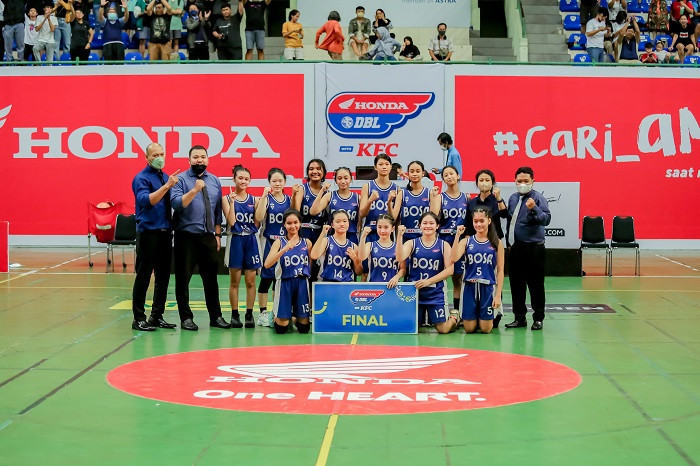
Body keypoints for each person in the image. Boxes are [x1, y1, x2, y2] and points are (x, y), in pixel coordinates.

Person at [171, 145, 231, 331]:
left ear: (208, 160)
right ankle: (186, 318)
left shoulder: (214, 181)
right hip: (186, 237)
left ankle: (216, 316)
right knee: (183, 279)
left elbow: (217, 211)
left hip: (208, 237)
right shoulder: (181, 180)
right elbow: (177, 204)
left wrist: (218, 235)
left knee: (211, 279)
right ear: (189, 160)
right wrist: (195, 190)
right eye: (196, 157)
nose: (199, 160)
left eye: (203, 157)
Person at [130, 143, 179, 332]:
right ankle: (138, 318)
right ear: (147, 157)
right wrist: (167, 186)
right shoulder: (141, 178)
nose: (159, 157)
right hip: (148, 233)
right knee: (143, 276)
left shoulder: (165, 177)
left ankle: (157, 315)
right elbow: (147, 201)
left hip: (165, 233)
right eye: (155, 155)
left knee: (163, 277)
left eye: (162, 154)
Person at [504, 166, 551, 331]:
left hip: (534, 249)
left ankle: (538, 318)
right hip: (515, 248)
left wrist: (534, 208)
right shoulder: (513, 198)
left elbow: (546, 220)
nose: (522, 184)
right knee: (516, 284)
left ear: (533, 181)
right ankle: (519, 318)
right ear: (515, 181)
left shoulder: (538, 198)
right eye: (519, 181)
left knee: (536, 285)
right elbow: (511, 221)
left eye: (526, 181)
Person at [397, 212, 457, 334]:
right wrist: (399, 237)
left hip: (435, 292)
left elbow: (450, 270)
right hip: (415, 292)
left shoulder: (444, 245)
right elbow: (400, 257)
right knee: (412, 327)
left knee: (443, 329)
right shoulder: (411, 243)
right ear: (419, 225)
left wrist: (428, 281)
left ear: (437, 226)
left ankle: (454, 317)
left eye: (431, 223)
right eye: (425, 223)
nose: (428, 226)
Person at [451, 210, 505, 334]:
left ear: (489, 221)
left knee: (486, 329)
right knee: (469, 329)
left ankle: (484, 318)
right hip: (469, 286)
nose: (478, 224)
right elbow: (453, 258)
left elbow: (500, 271)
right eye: (475, 221)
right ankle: (459, 317)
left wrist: (498, 296)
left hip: (488, 287)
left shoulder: (497, 243)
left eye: (482, 221)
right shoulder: (466, 241)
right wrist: (457, 236)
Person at [222, 165, 260, 329]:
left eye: (246, 179)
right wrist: (232, 202)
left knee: (251, 281)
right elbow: (231, 221)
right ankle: (235, 314)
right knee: (234, 281)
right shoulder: (226, 198)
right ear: (234, 179)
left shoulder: (255, 200)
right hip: (236, 239)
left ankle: (249, 314)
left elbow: (257, 223)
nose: (243, 181)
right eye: (240, 178)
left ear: (250, 181)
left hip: (251, 240)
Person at [263, 209, 312, 334]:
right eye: (289, 223)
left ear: (300, 223)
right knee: (281, 329)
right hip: (284, 282)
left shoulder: (307, 242)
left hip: (301, 283)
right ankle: (275, 317)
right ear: (284, 225)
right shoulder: (279, 242)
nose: (293, 226)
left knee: (304, 328)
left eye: (296, 222)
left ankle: (294, 317)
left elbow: (310, 264)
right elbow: (267, 264)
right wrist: (284, 249)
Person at [254, 167, 291, 327]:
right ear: (269, 182)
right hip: (269, 242)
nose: (277, 183)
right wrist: (263, 196)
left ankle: (276, 311)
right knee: (266, 278)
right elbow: (258, 216)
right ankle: (262, 313)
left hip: (284, 243)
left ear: (285, 182)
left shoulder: (289, 200)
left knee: (279, 279)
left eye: (280, 180)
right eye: (274, 181)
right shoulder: (267, 199)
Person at [431, 165, 467, 313]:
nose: (449, 176)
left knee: (458, 278)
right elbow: (433, 218)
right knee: (441, 276)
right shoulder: (440, 197)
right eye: (446, 175)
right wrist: (433, 198)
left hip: (459, 241)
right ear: (443, 179)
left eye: (452, 173)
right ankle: (440, 310)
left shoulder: (466, 197)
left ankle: (458, 312)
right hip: (444, 240)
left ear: (458, 176)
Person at [293, 159, 328, 283]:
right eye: (311, 169)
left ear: (323, 172)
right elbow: (296, 212)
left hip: (319, 233)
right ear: (307, 172)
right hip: (304, 230)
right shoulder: (302, 188)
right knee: (304, 263)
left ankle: (313, 292)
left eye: (318, 169)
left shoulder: (327, 192)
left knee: (316, 266)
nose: (315, 171)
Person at [310, 166, 360, 245]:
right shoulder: (330, 196)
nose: (343, 181)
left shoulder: (357, 198)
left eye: (346, 178)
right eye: (339, 178)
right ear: (335, 181)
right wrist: (322, 191)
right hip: (333, 235)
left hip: (351, 236)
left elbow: (361, 220)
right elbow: (313, 212)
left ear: (351, 179)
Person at [392, 161, 438, 241]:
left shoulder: (429, 193)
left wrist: (433, 197)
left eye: (418, 171)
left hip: (425, 239)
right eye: (412, 171)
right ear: (408, 173)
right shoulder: (402, 193)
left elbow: (434, 217)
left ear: (423, 173)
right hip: (406, 238)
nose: (415, 174)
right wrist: (389, 202)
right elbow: (394, 218)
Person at [311, 212, 362, 282]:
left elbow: (359, 272)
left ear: (348, 224)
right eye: (338, 221)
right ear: (332, 225)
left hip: (346, 284)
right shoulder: (326, 241)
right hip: (327, 282)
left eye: (345, 221)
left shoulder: (354, 246)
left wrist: (355, 259)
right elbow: (314, 255)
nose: (342, 224)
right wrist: (322, 234)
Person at [359, 153, 398, 243]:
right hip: (370, 232)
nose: (384, 167)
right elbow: (362, 214)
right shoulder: (367, 187)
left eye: (387, 164)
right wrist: (370, 200)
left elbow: (394, 218)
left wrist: (389, 202)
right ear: (375, 167)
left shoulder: (397, 189)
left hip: (387, 234)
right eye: (380, 164)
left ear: (391, 167)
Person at [359, 215, 404, 285]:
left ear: (392, 229)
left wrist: (396, 277)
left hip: (392, 286)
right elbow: (361, 257)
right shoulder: (370, 245)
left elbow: (403, 269)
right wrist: (363, 237)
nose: (382, 231)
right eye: (379, 227)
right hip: (374, 286)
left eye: (386, 227)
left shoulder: (398, 246)